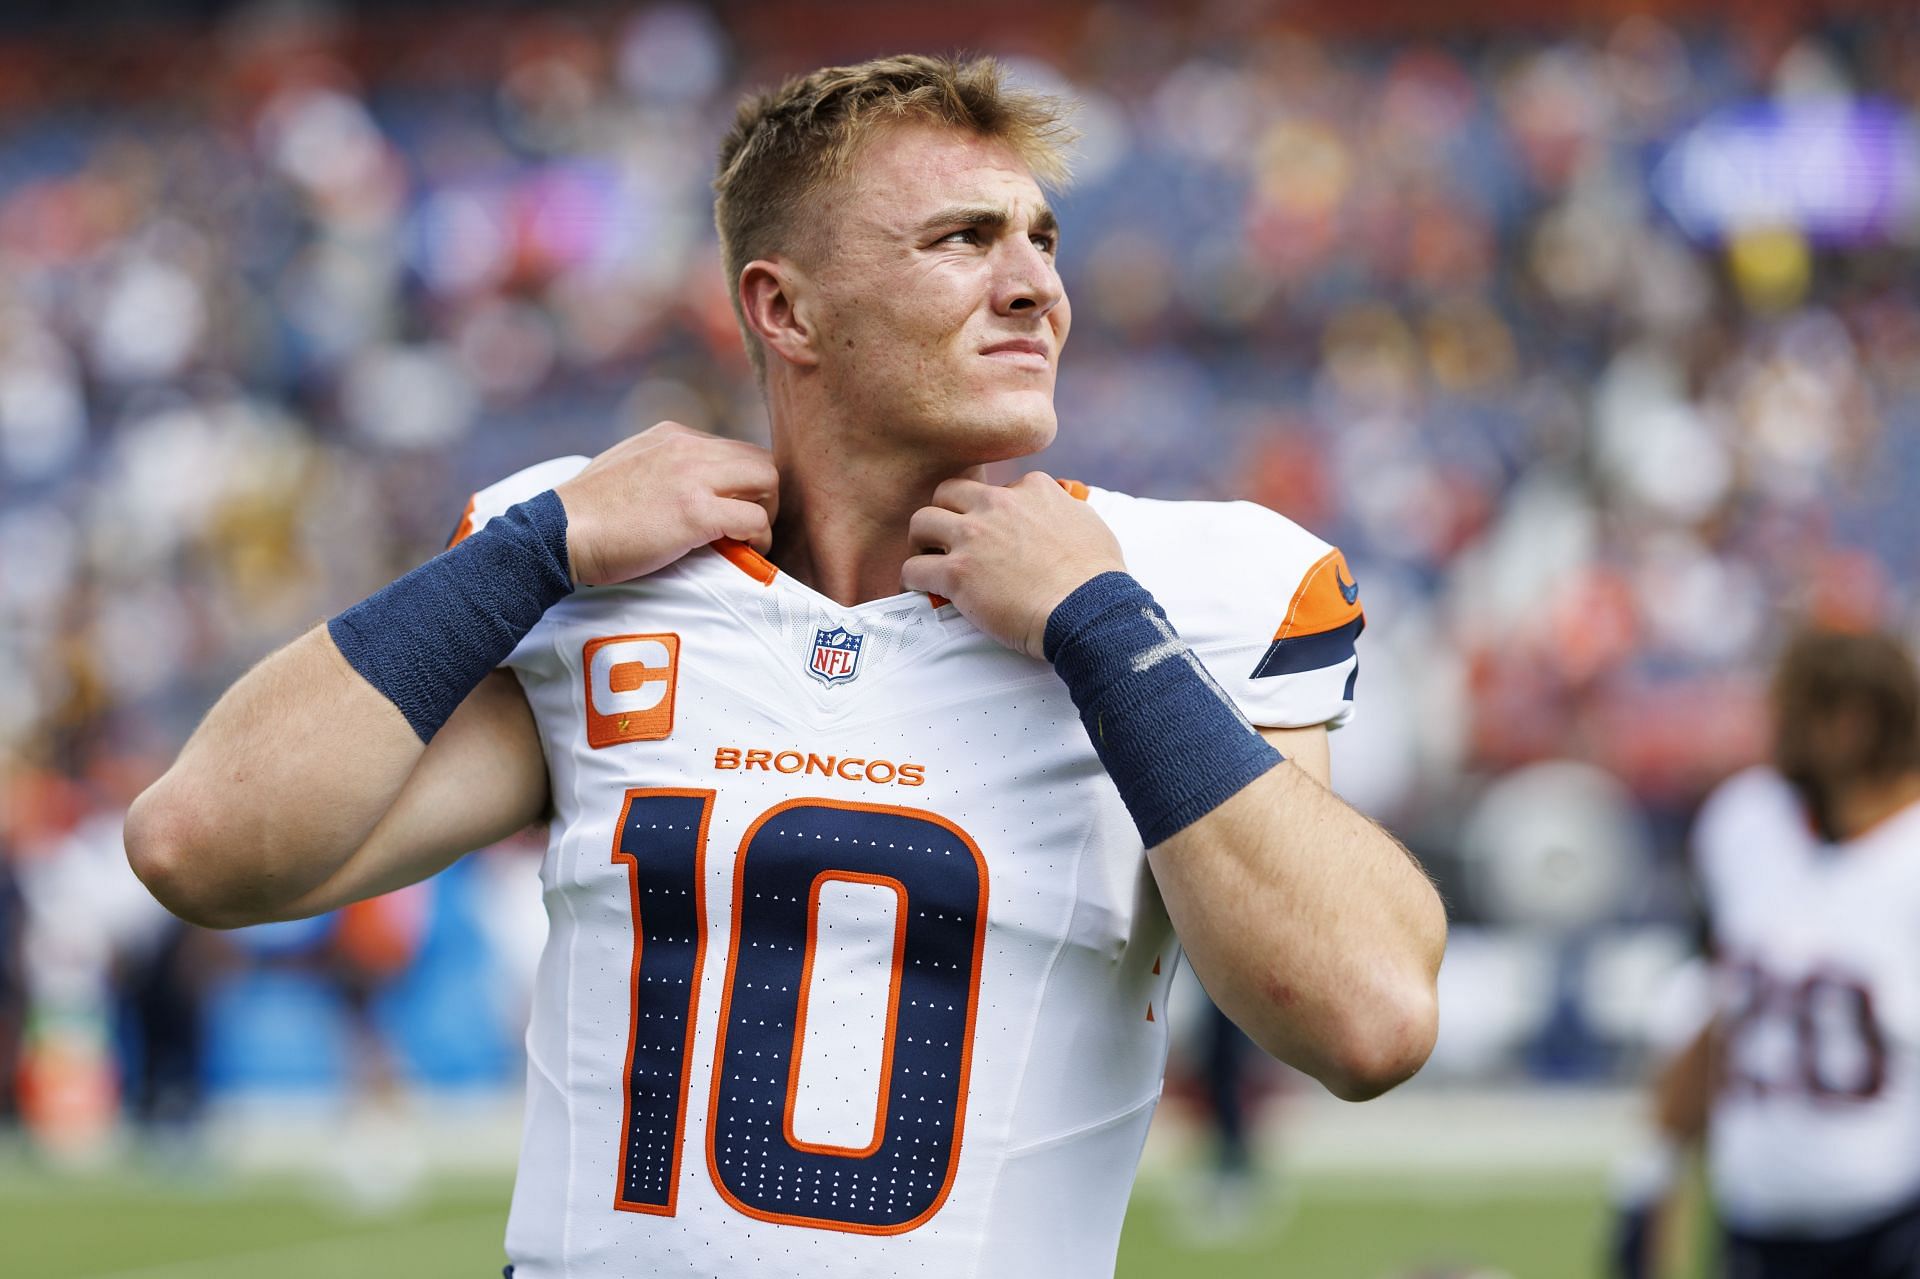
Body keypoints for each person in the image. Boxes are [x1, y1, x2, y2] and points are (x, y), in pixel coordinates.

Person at [125, 55, 1446, 1277]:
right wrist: (534, 548)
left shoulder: (1178, 595)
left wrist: (1099, 625)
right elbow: (202, 846)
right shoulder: (609, 580)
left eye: (1042, 237)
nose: (1037, 282)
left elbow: (1370, 1019)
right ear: (785, 307)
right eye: (961, 239)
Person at [1613, 628, 1920, 1279]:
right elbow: (1720, 1011)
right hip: (1757, 1222)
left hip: (1893, 1222)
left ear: (1852, 723)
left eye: (1795, 711)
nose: (1775, 733)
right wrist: (1653, 1173)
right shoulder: (1747, 822)